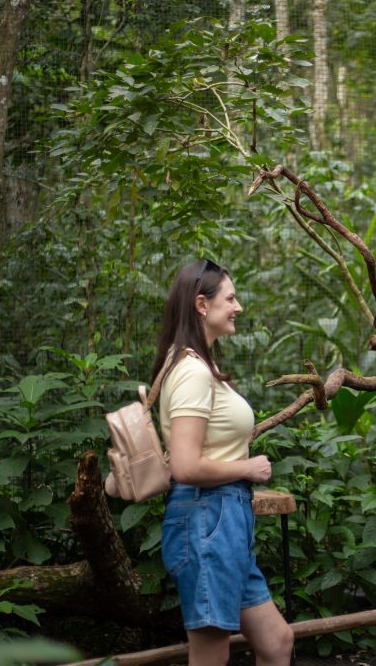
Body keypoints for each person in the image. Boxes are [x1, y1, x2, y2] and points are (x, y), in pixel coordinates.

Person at [155, 258, 293, 666]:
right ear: (202, 304)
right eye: (230, 298)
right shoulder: (193, 371)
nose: (238, 307)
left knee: (277, 642)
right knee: (211, 655)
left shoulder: (199, 365)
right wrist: (248, 468)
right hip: (207, 520)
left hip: (224, 521)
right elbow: (184, 466)